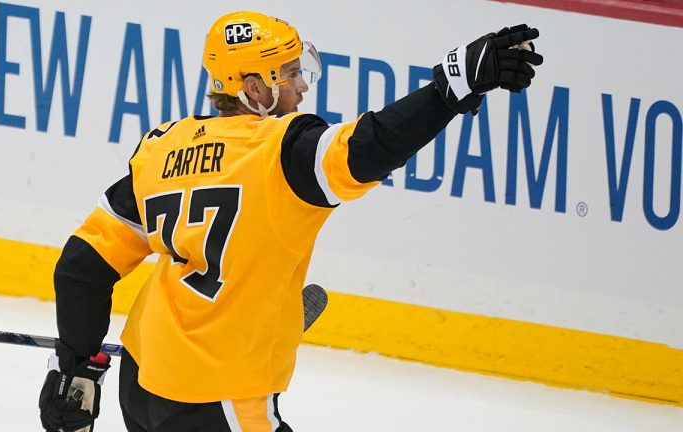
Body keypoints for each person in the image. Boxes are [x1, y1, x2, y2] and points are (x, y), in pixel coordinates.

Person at [38, 10, 543, 432]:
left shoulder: (160, 149)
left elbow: (83, 266)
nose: (302, 84)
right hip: (222, 399)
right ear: (254, 86)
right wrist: (449, 90)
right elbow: (373, 145)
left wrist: (76, 369)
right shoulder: (282, 152)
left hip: (143, 381)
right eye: (289, 72)